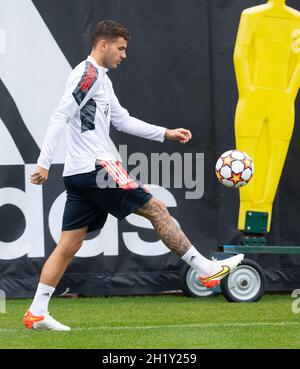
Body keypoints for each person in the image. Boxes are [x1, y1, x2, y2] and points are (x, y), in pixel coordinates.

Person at [23, 20, 243, 331]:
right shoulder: (86, 74)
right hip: (97, 167)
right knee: (157, 209)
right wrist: (44, 162)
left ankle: (36, 312)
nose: (124, 55)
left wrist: (165, 133)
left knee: (68, 245)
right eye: (121, 48)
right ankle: (205, 269)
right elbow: (61, 115)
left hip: (80, 173)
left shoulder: (102, 79)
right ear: (103, 45)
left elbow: (122, 120)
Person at [234, 0, 300, 232]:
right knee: (247, 155)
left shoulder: (296, 20)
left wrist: (289, 93)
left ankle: (264, 207)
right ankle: (250, 206)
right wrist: (249, 90)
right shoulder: (252, 16)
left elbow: (298, 61)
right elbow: (240, 54)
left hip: (281, 101)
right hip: (253, 99)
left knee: (276, 155)